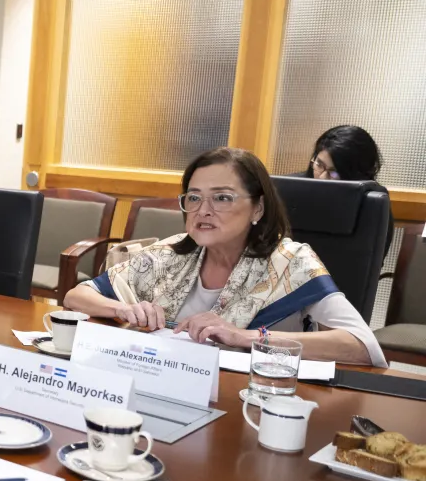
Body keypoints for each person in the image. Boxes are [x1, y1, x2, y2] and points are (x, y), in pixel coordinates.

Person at [64, 147, 386, 367]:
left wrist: (245, 336)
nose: (203, 211)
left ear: (258, 208)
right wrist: (124, 308)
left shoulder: (290, 261)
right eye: (194, 197)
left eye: (222, 198)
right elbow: (76, 295)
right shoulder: (173, 252)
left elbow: (362, 346)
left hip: (250, 399)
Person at [296, 124, 393, 259]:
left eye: (334, 172)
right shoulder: (293, 188)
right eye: (319, 164)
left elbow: (368, 267)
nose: (323, 178)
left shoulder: (373, 205)